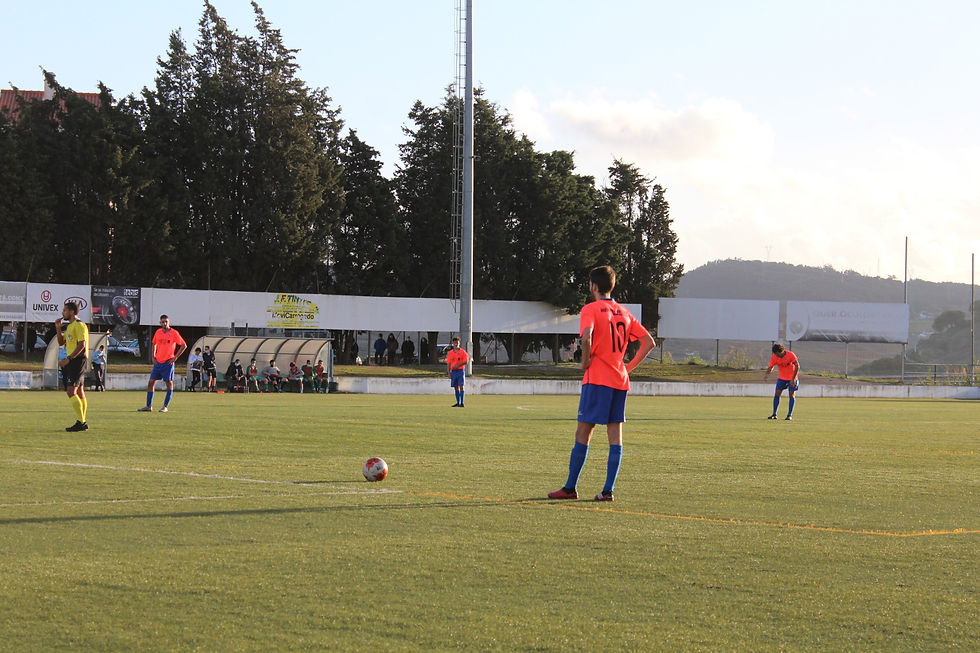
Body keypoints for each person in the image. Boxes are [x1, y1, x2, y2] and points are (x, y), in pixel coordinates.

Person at [548, 265, 656, 502]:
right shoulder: (624, 312)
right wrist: (627, 368)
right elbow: (649, 342)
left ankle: (570, 488)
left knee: (584, 431)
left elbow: (587, 337)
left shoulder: (591, 309)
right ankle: (608, 491)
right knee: (615, 434)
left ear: (594, 286)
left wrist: (584, 361)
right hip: (619, 380)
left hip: (597, 378)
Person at [138, 314, 187, 413]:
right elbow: (154, 344)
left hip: (168, 362)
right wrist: (153, 357)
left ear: (169, 322)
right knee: (151, 382)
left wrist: (175, 357)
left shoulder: (174, 333)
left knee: (169, 383)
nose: (164, 323)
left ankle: (165, 406)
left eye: (166, 322)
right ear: (160, 323)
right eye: (163, 322)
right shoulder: (158, 332)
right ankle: (148, 406)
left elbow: (183, 345)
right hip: (158, 362)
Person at [55, 301, 90, 432]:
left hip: (77, 360)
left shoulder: (80, 325)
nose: (62, 313)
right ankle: (82, 421)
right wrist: (58, 328)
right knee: (79, 391)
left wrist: (69, 359)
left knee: (71, 391)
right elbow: (61, 342)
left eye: (64, 310)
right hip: (73, 361)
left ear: (71, 312)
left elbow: (82, 345)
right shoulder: (70, 326)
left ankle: (81, 422)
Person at [765, 343, 800, 420]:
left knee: (791, 395)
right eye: (775, 354)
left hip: (792, 378)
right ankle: (774, 414)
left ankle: (789, 415)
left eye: (777, 354)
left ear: (781, 351)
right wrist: (767, 373)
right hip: (781, 378)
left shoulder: (790, 355)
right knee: (777, 394)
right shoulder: (774, 356)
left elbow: (797, 366)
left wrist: (793, 379)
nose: (776, 356)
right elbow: (771, 366)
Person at [446, 336, 469, 407]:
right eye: (455, 343)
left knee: (461, 386)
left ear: (459, 343)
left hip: (460, 371)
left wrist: (458, 365)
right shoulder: (450, 353)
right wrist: (448, 372)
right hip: (453, 371)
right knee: (456, 387)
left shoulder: (463, 352)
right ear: (453, 343)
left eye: (457, 343)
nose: (456, 344)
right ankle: (458, 402)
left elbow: (466, 361)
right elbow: (448, 363)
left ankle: (462, 402)